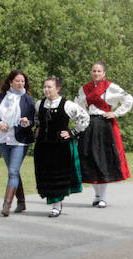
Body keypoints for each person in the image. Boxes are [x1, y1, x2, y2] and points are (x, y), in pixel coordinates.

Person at [74, 61, 133, 208]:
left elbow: (128, 99)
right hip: (89, 125)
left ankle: (103, 197)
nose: (96, 73)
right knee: (89, 159)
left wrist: (115, 113)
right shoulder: (84, 89)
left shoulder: (111, 87)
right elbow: (77, 106)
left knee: (103, 159)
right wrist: (81, 118)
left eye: (99, 71)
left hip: (105, 125)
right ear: (91, 72)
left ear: (104, 73)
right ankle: (97, 195)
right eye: (94, 71)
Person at [33, 77, 89, 218]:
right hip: (43, 146)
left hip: (60, 146)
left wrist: (72, 132)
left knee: (57, 176)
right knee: (46, 175)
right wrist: (37, 126)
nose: (46, 89)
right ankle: (54, 204)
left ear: (57, 88)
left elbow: (84, 118)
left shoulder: (67, 105)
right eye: (45, 87)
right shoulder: (39, 104)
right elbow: (37, 119)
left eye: (49, 87)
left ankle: (56, 206)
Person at [0, 69, 35, 217]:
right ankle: (21, 202)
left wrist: (26, 122)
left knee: (13, 172)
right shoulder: (1, 97)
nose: (21, 83)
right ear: (10, 82)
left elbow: (34, 120)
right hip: (3, 138)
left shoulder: (28, 99)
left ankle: (6, 206)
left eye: (23, 81)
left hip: (20, 140)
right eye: (17, 81)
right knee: (13, 171)